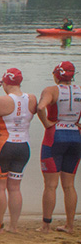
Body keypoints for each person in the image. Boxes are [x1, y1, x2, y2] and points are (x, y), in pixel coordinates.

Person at [0, 68, 36, 233]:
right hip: (23, 146)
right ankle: (14, 226)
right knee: (15, 188)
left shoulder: (0, 100)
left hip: (2, 146)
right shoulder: (32, 99)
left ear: (4, 83)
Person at [39, 61, 81, 233]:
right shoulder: (79, 90)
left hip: (54, 136)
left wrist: (46, 123)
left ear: (57, 74)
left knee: (50, 185)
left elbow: (41, 107)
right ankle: (70, 225)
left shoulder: (51, 90)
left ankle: (46, 225)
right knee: (69, 185)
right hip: (75, 136)